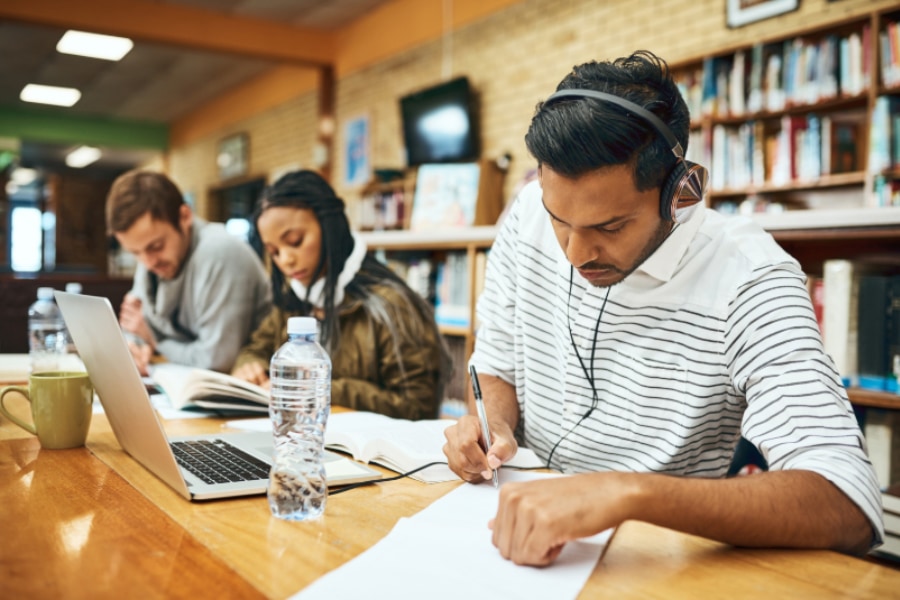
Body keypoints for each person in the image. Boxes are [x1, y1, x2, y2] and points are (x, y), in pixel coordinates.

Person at [442, 50, 883, 566]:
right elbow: (494, 362)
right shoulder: (526, 216)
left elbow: (848, 502)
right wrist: (493, 428)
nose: (575, 253)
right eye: (559, 219)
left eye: (609, 227)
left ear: (680, 193)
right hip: (518, 527)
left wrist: (630, 495)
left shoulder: (749, 277)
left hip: (662, 561)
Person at [231, 169, 451, 420]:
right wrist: (249, 367)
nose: (286, 260)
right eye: (274, 252)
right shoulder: (293, 301)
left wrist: (320, 388)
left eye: (295, 241)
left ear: (329, 227)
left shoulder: (391, 305)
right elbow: (256, 349)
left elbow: (418, 407)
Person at [106, 170, 272, 374]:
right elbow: (134, 325)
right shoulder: (152, 259)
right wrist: (136, 347)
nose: (147, 263)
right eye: (135, 253)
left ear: (185, 216)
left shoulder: (220, 253)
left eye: (156, 246)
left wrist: (155, 340)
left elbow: (216, 360)